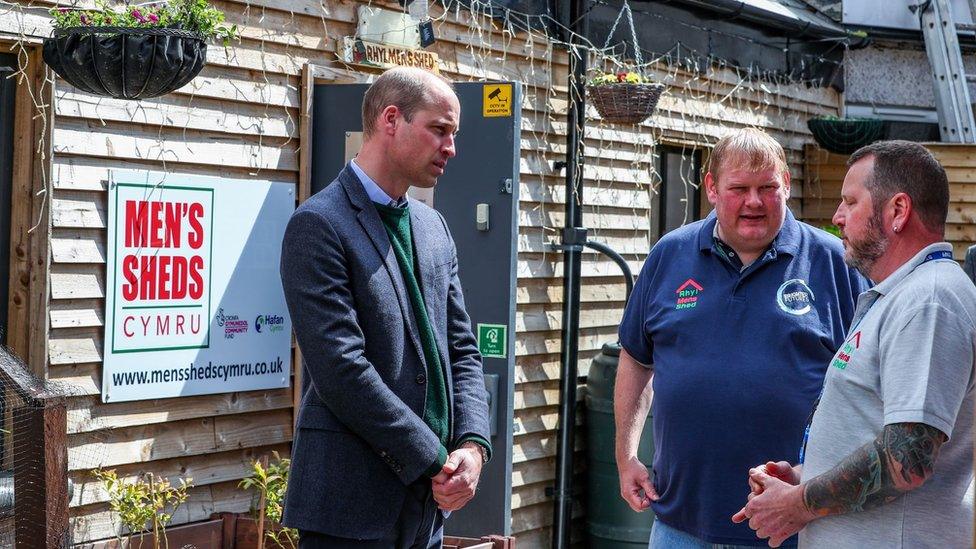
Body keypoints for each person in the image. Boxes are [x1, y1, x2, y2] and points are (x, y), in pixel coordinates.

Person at [615, 128, 870, 548]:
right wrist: (626, 456)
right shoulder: (669, 255)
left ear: (786, 184)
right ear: (712, 188)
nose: (754, 201)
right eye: (740, 188)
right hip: (679, 523)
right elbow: (637, 358)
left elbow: (867, 384)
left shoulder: (833, 263)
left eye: (767, 187)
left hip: (790, 527)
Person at [279, 67, 492, 548]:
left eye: (453, 133)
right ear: (391, 120)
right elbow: (341, 370)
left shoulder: (433, 227)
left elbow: (462, 350)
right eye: (439, 129)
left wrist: (473, 448)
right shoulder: (318, 225)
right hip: (351, 512)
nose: (451, 148)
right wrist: (434, 459)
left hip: (426, 512)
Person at [734, 141, 976, 548]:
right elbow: (877, 430)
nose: (838, 217)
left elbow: (907, 461)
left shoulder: (930, 301)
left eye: (850, 201)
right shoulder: (903, 295)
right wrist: (807, 475)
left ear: (897, 212)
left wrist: (798, 502)